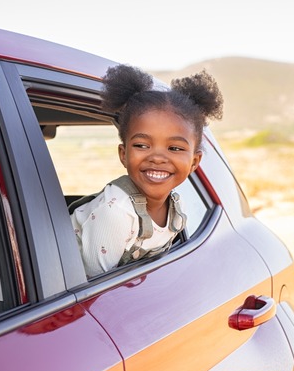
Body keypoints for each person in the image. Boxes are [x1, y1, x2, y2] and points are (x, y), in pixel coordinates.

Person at [70, 64, 223, 276]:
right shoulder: (116, 214)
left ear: (195, 162)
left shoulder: (177, 208)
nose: (157, 158)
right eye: (142, 145)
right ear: (123, 154)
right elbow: (94, 293)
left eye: (174, 148)